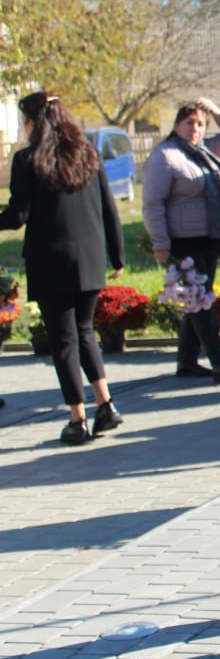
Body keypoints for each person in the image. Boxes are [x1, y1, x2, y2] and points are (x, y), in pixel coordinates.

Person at [0, 92, 125, 445]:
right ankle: (106, 403)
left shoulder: (28, 160)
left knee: (64, 341)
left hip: (50, 260)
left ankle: (77, 418)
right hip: (89, 259)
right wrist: (117, 256)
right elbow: (108, 209)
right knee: (85, 332)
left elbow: (19, 215)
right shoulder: (87, 154)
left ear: (32, 121)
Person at [142, 103, 220, 382]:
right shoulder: (166, 156)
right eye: (189, 123)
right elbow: (152, 203)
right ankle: (219, 361)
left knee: (197, 299)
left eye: (200, 124)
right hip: (182, 241)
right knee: (199, 300)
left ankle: (187, 361)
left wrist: (214, 110)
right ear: (176, 125)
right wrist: (160, 242)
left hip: (208, 236)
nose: (195, 129)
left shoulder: (204, 151)